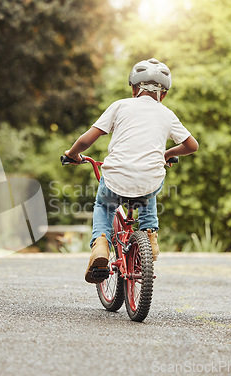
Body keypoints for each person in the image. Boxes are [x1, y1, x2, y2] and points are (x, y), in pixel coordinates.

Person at [64, 58, 199, 283]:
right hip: (149, 179)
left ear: (134, 88)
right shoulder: (167, 114)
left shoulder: (120, 105)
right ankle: (149, 234)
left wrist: (72, 154)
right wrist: (165, 155)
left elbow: (89, 138)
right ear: (163, 94)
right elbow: (191, 146)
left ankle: (100, 244)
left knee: (104, 205)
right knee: (149, 190)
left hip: (116, 175)